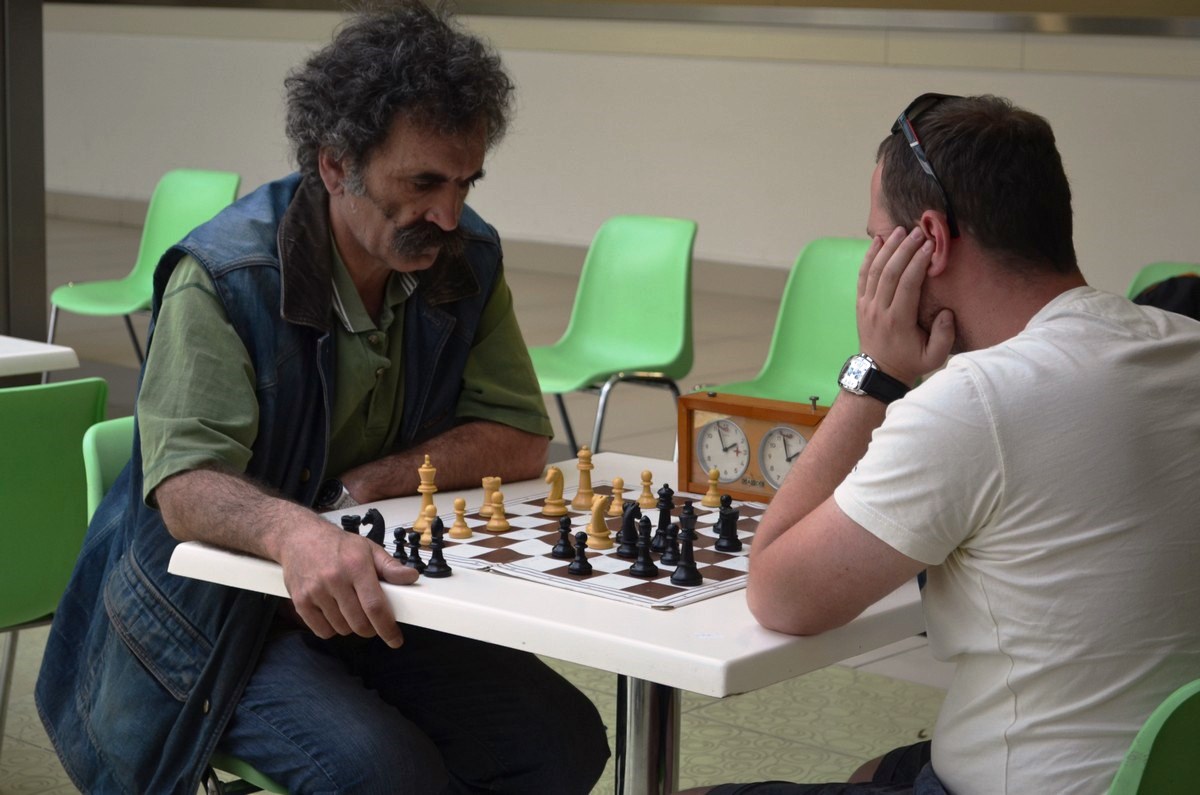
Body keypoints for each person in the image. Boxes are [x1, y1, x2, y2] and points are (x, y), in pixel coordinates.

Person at [36, 4, 609, 793]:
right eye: (423, 182)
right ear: (336, 165)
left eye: (465, 181)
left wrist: (361, 488)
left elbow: (515, 435)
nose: (449, 214)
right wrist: (294, 530)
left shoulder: (462, 257)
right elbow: (186, 485)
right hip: (216, 614)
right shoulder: (227, 277)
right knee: (384, 774)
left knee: (560, 741)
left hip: (371, 593)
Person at [689, 94, 1200, 794]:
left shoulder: (977, 400)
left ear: (928, 239)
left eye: (878, 241)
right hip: (1169, 770)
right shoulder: (1185, 342)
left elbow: (780, 594)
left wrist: (875, 376)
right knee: (877, 772)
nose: (871, 264)